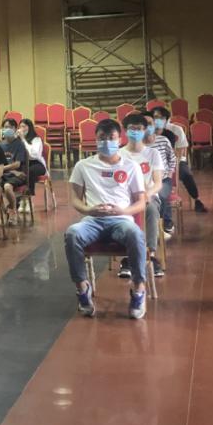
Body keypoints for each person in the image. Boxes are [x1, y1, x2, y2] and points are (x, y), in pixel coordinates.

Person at [64, 118, 148, 319]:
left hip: (121, 220)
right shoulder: (83, 166)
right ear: (96, 139)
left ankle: (138, 289)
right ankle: (82, 288)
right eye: (102, 138)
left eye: (111, 138)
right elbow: (75, 199)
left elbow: (141, 202)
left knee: (136, 235)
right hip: (93, 220)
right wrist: (89, 210)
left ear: (119, 139)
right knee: (72, 234)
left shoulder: (131, 166)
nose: (106, 142)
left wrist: (123, 211)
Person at [121, 113, 166, 279]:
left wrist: (147, 194)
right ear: (125, 131)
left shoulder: (153, 154)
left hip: (149, 196)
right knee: (121, 213)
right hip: (126, 198)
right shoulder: (119, 154)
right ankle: (128, 257)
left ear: (145, 130)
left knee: (151, 210)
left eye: (139, 129)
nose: (135, 132)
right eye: (132, 129)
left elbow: (158, 183)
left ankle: (150, 255)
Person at [153, 106, 207, 213]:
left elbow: (180, 150)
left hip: (176, 160)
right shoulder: (149, 131)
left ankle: (197, 199)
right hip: (155, 162)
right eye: (155, 117)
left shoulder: (176, 130)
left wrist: (170, 164)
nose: (158, 120)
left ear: (167, 119)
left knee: (185, 174)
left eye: (161, 117)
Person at [143, 113, 176, 237]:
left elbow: (172, 159)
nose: (147, 127)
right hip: (145, 181)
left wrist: (169, 175)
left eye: (150, 124)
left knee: (160, 194)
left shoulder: (163, 140)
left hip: (163, 179)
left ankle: (163, 223)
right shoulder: (137, 145)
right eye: (144, 124)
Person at [0, 118, 29, 216]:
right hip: (2, 175)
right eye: (5, 127)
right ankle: (5, 209)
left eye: (10, 127)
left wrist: (2, 169)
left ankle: (12, 209)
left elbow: (17, 164)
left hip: (18, 175)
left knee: (7, 187)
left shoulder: (19, 144)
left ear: (15, 129)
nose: (7, 129)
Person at [18, 119, 49, 195]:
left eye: (24, 126)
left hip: (36, 163)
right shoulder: (17, 140)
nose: (21, 129)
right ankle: (17, 194)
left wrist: (23, 139)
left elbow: (33, 155)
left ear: (30, 128)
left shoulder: (36, 139)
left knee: (29, 171)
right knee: (15, 171)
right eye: (20, 127)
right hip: (23, 163)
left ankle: (29, 192)